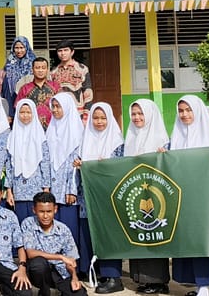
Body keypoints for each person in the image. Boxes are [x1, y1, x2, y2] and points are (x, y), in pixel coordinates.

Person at [168, 96, 209, 296]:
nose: (184, 114)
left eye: (188, 110)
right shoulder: (176, 136)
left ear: (198, 110)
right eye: (181, 110)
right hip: (183, 198)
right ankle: (195, 284)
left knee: (203, 239)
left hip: (205, 199)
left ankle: (205, 285)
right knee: (187, 239)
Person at [73, 103, 124, 293]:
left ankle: (113, 277)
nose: (99, 122)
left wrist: (107, 166)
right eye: (95, 118)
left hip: (108, 198)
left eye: (103, 118)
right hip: (87, 197)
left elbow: (122, 169)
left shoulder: (117, 142)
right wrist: (79, 165)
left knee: (107, 234)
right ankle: (96, 273)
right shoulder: (85, 140)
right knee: (89, 234)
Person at [125, 99, 170, 294]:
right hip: (136, 194)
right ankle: (141, 279)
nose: (136, 118)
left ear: (150, 115)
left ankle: (158, 281)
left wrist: (164, 155)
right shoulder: (130, 138)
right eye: (134, 114)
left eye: (141, 113)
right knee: (138, 234)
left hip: (155, 195)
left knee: (154, 235)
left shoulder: (162, 140)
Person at [21, 192, 87, 296]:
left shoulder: (63, 229)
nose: (45, 216)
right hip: (37, 273)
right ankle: (44, 292)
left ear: (55, 209)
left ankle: (57, 291)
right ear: (34, 210)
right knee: (39, 264)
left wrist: (74, 278)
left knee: (79, 293)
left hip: (60, 273)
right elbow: (30, 253)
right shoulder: (28, 223)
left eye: (49, 211)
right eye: (41, 211)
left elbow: (71, 260)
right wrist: (60, 257)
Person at [5, 99, 51, 223]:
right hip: (18, 189)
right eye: (22, 112)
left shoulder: (40, 136)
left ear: (33, 113)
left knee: (37, 223)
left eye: (28, 112)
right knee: (21, 223)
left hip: (36, 189)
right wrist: (9, 190)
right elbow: (9, 165)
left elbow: (45, 162)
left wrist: (46, 188)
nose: (25, 115)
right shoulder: (12, 136)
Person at [45, 93, 82, 244]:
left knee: (69, 230)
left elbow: (75, 165)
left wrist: (71, 190)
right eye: (53, 106)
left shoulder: (77, 132)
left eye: (58, 107)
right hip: (52, 190)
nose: (54, 110)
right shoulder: (51, 129)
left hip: (67, 194)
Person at [50, 40, 93, 118]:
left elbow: (88, 92)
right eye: (60, 51)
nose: (63, 53)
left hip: (78, 112)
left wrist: (86, 115)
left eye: (66, 50)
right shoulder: (53, 72)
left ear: (72, 52)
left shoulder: (82, 69)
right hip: (60, 113)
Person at [14, 57, 60, 129]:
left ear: (47, 70)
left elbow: (62, 107)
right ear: (32, 70)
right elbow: (18, 108)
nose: (40, 70)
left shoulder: (55, 87)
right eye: (37, 68)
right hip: (31, 128)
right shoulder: (25, 89)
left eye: (43, 68)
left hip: (53, 127)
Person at [1, 37, 35, 117]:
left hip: (29, 99)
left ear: (26, 48)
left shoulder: (33, 64)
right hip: (12, 100)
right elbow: (6, 87)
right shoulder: (9, 64)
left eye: (22, 47)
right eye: (16, 48)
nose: (19, 51)